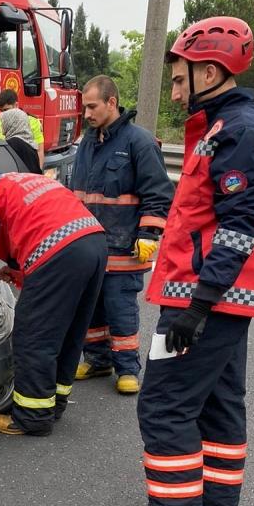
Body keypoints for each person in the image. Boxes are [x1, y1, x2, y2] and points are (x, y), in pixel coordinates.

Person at [108, 16, 254, 506]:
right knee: (220, 400)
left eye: (180, 79)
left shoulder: (238, 131)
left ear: (212, 70)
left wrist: (196, 306)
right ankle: (216, 504)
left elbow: (240, 225)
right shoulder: (226, 127)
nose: (175, 91)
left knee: (164, 403)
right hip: (221, 295)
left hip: (204, 295)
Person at [0, 167, 107, 436]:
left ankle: (32, 417)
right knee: (69, 331)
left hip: (58, 249)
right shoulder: (15, 181)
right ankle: (53, 403)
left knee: (34, 335)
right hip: (92, 241)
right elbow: (28, 223)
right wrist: (17, 271)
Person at [71, 75, 174, 394]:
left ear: (111, 102)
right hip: (91, 246)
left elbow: (158, 193)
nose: (86, 113)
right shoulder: (88, 142)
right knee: (92, 309)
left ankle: (127, 368)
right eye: (84, 107)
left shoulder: (138, 142)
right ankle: (98, 360)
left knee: (120, 310)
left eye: (92, 106)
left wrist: (148, 234)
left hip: (124, 248)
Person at [0, 90, 45, 168]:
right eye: (1, 111)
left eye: (6, 110)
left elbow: (39, 150)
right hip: (4, 167)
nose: (3, 114)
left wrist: (38, 172)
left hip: (25, 166)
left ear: (16, 105)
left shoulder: (33, 121)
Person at [0, 107, 43, 174]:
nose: (1, 125)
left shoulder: (11, 144)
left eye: (3, 122)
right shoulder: (29, 143)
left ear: (11, 123)